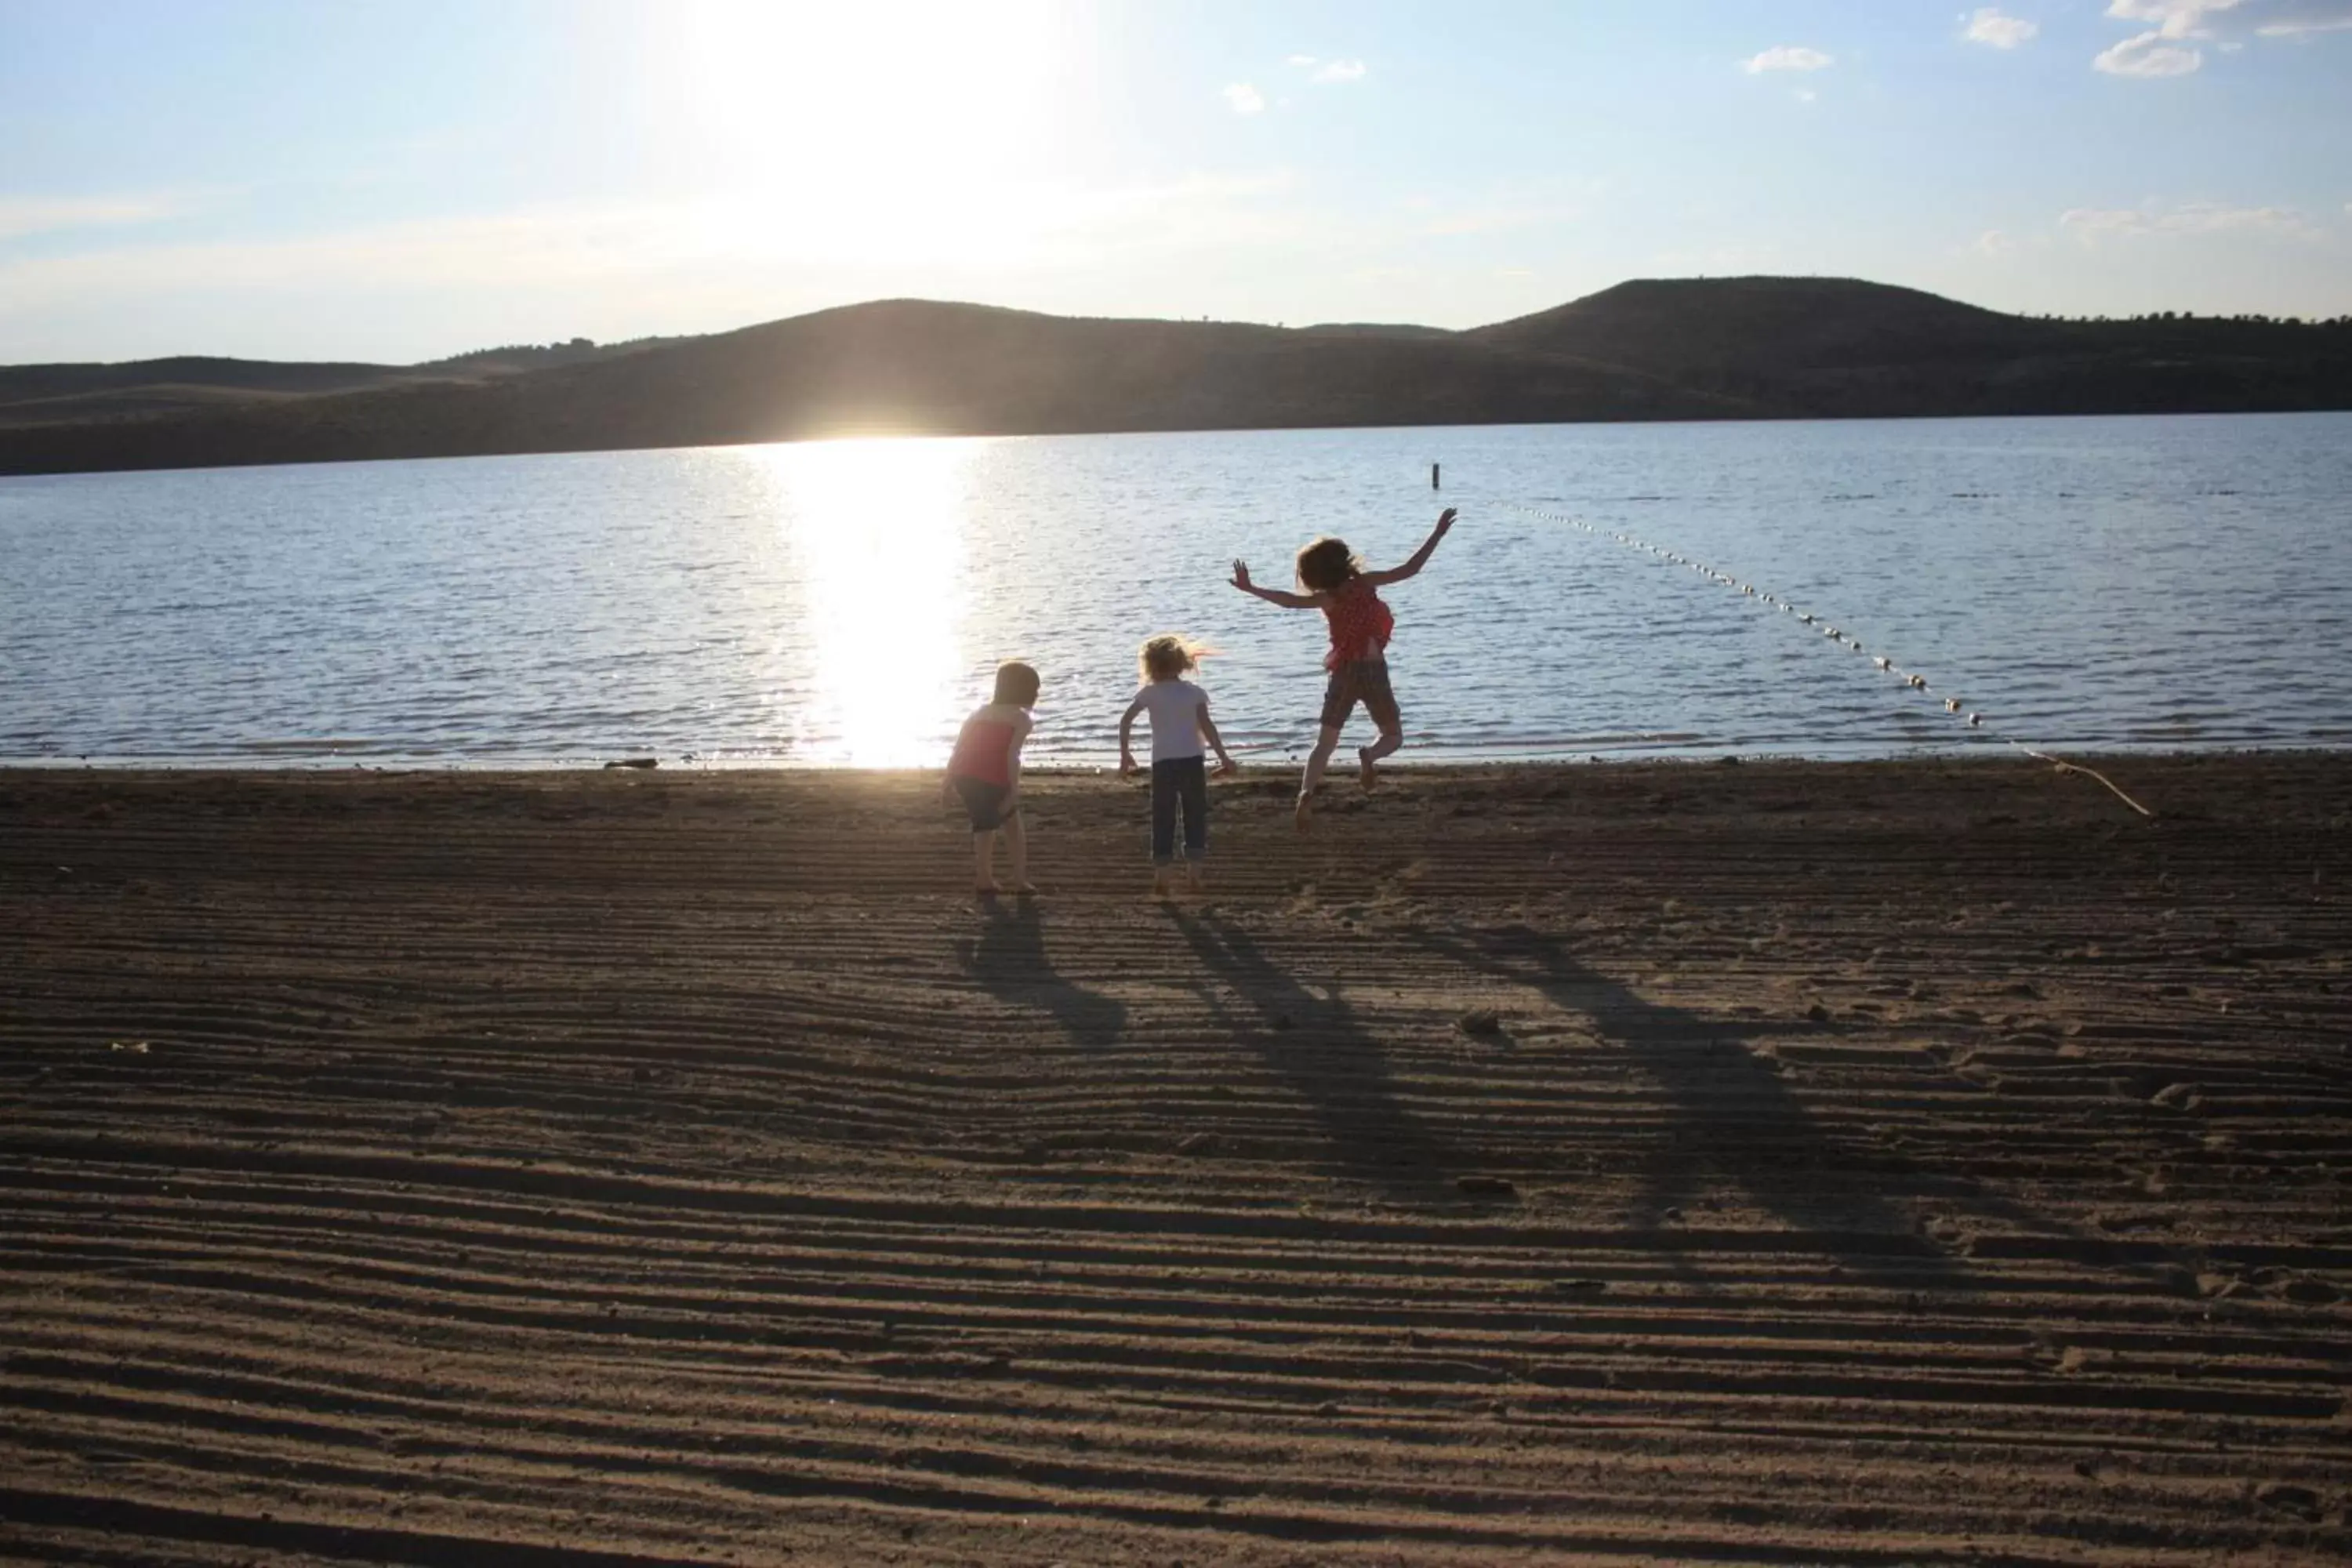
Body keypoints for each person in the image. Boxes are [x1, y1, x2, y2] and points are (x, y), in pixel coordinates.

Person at [1232, 506, 1457, 831]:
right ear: (1345, 562)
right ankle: (1369, 755)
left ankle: (1306, 793)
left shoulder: (1327, 599)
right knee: (1393, 736)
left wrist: (1252, 589)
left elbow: (1288, 601)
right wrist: (1437, 533)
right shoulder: (1366, 584)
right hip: (1373, 670)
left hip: (1343, 673)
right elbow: (1411, 569)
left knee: (1324, 743)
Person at [1118, 635, 1237, 895]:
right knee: (1194, 816)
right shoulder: (1194, 693)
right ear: (1181, 663)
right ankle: (1194, 873)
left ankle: (1162, 875)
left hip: (1163, 764)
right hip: (1192, 762)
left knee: (1163, 818)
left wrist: (1125, 754)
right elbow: (1208, 728)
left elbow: (1126, 720)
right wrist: (1224, 757)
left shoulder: (1149, 694)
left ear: (1149, 666)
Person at [944, 661, 1040, 895]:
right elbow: (1012, 756)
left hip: (965, 776)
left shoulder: (978, 713)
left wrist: (947, 781)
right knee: (1011, 827)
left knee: (984, 827)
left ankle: (985, 877)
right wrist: (1013, 791)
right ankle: (1017, 880)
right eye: (1036, 690)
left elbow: (959, 747)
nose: (1038, 694)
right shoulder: (1021, 719)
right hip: (992, 778)